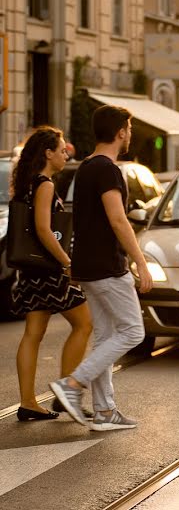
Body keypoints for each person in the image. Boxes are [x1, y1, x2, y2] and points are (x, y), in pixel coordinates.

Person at [49, 105, 153, 431]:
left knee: (107, 336)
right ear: (121, 131)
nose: (130, 134)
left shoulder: (86, 167)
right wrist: (140, 260)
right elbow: (118, 219)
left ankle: (105, 411)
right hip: (107, 266)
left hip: (87, 265)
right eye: (130, 129)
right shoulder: (108, 169)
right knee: (133, 331)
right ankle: (72, 385)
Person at [10, 127, 92, 421]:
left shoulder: (28, 183)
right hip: (50, 271)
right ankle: (65, 392)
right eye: (61, 150)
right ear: (48, 154)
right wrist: (67, 262)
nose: (65, 154)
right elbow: (44, 230)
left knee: (33, 333)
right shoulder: (44, 185)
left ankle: (28, 401)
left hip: (31, 271)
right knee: (85, 323)